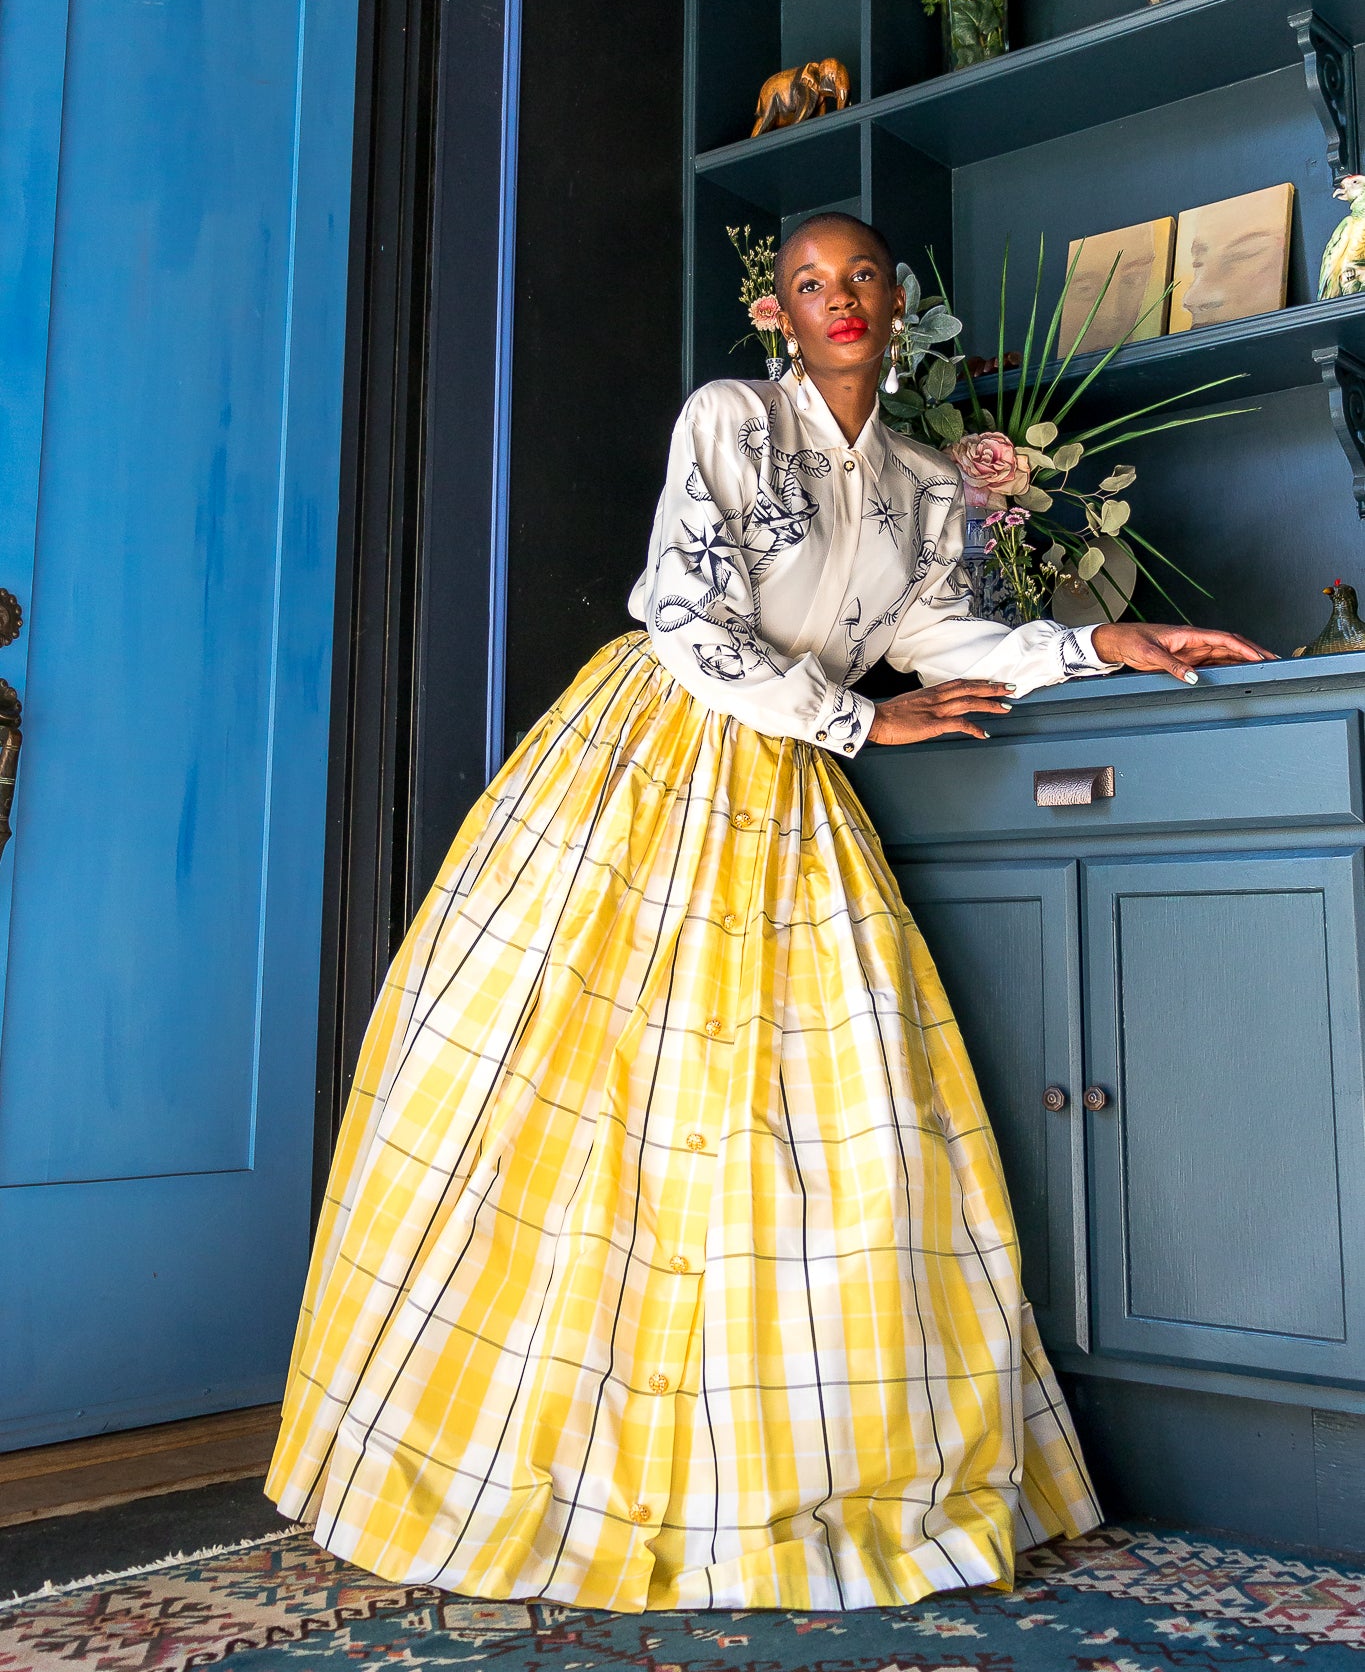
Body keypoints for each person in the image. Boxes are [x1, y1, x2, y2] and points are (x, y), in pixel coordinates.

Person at [266, 212, 1271, 1613]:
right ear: (779, 316)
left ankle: (775, 1459)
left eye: (860, 276)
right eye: (808, 283)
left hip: (796, 780)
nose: (838, 298)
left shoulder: (926, 481)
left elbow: (945, 640)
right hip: (657, 750)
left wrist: (1098, 641)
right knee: (585, 1086)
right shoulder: (730, 419)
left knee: (800, 1108)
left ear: (894, 303)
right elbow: (687, 616)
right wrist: (855, 719)